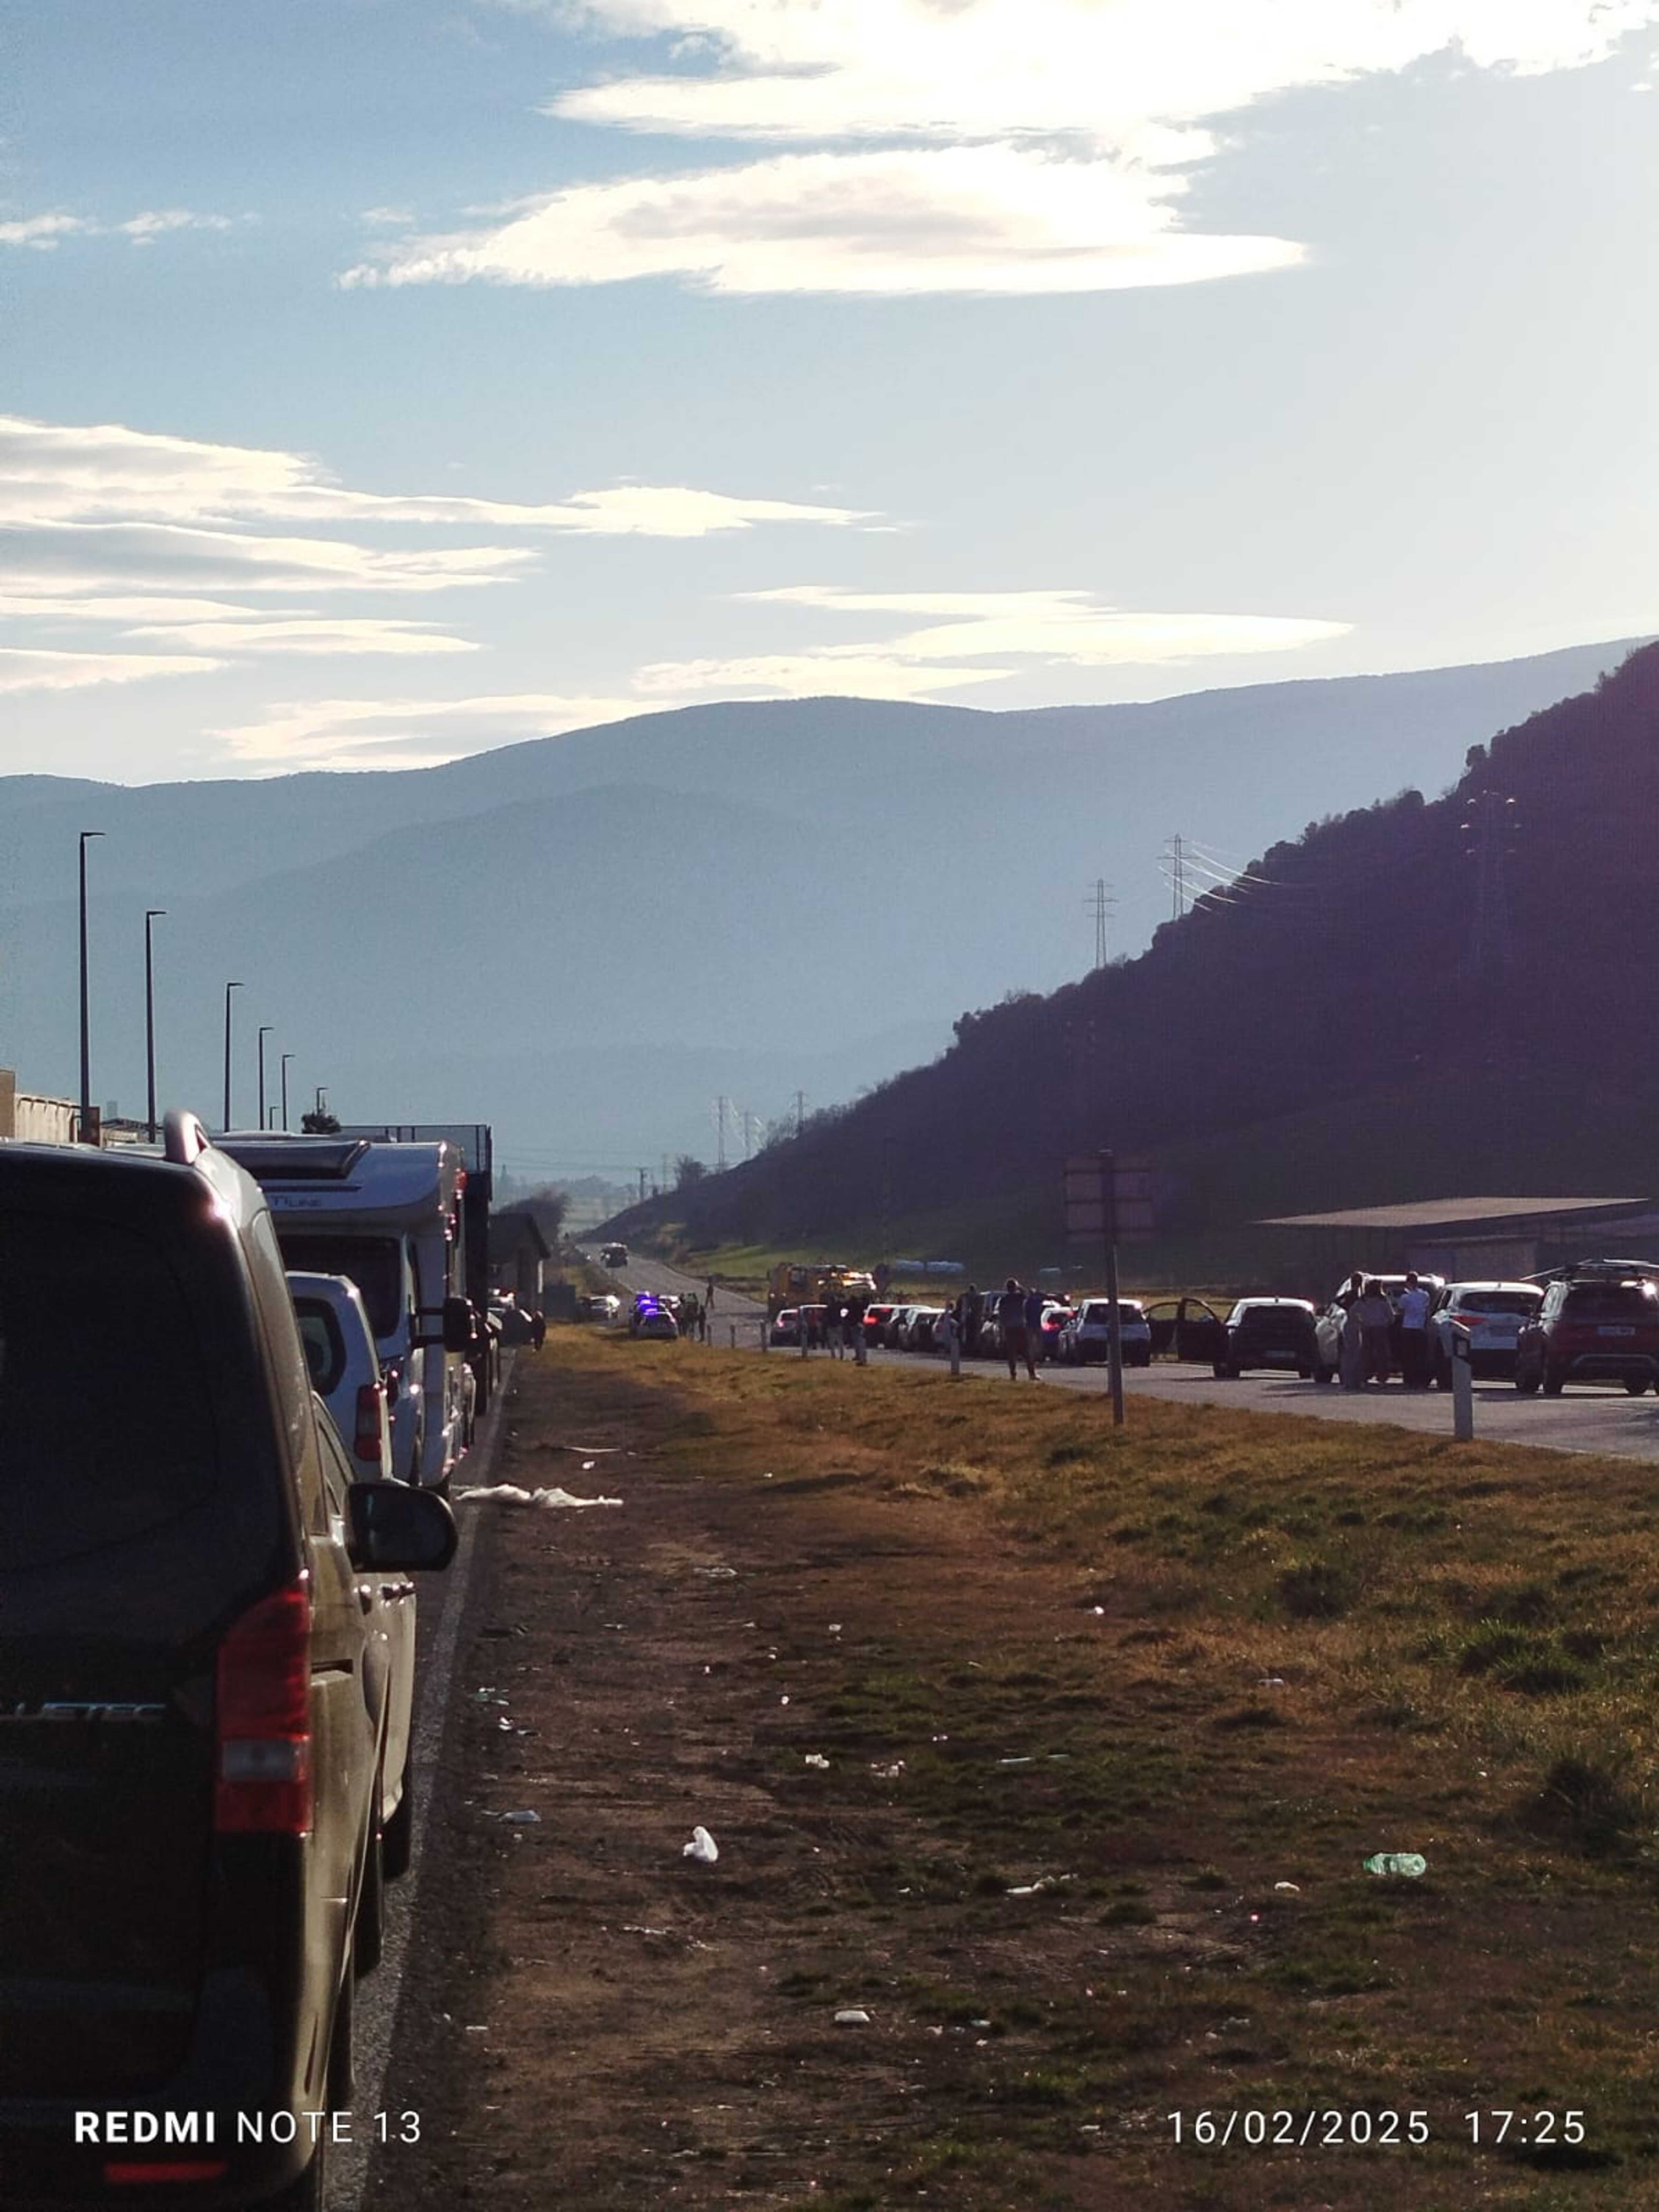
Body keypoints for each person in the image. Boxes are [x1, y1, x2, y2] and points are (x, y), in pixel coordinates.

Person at [1352, 1278, 1396, 1384]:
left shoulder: (1362, 1300)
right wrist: (1389, 1322)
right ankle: (1382, 1376)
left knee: (1366, 1353)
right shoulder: (1383, 1300)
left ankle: (1365, 1374)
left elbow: (1353, 1311)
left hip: (1367, 1328)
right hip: (1380, 1328)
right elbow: (1390, 1315)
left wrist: (1360, 1321)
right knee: (1382, 1354)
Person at [1395, 1271, 1431, 1387]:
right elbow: (1427, 1311)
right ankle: (1419, 1379)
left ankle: (1409, 1380)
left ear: (1408, 1283)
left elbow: (1400, 1310)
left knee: (1408, 1356)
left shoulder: (1405, 1298)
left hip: (1408, 1328)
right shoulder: (1425, 1296)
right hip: (1420, 1328)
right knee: (1419, 1356)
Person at [998, 1276, 1036, 1380]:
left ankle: (1013, 1375)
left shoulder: (1003, 1300)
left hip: (1009, 1329)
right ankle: (1032, 1374)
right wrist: (1020, 1287)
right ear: (1015, 1287)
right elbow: (1028, 1294)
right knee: (1027, 1352)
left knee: (1012, 1353)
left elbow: (1001, 1317)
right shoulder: (1019, 1297)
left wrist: (1002, 1331)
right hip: (1020, 1327)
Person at [963, 1282, 985, 1358]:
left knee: (974, 1336)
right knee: (971, 1336)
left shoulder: (977, 1298)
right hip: (971, 1320)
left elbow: (977, 1309)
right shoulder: (970, 1298)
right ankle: (970, 1350)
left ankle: (973, 1350)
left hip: (974, 1320)